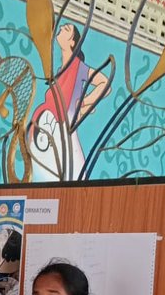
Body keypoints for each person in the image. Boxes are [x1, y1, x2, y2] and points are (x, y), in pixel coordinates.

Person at [29, 23, 110, 181]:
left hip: (62, 130)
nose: (62, 27)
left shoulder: (79, 68)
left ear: (73, 43)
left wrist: (85, 102)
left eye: (67, 29)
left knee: (67, 177)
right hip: (46, 130)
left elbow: (105, 84)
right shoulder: (60, 71)